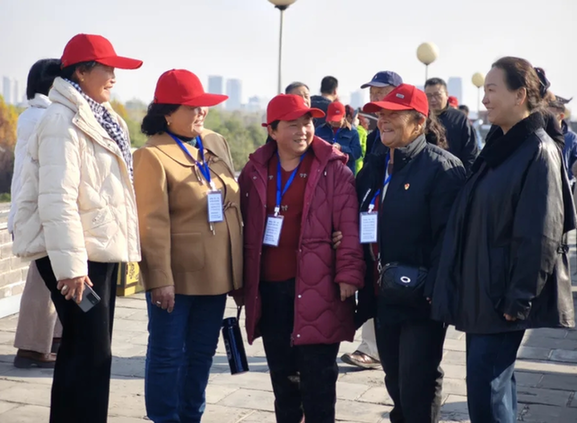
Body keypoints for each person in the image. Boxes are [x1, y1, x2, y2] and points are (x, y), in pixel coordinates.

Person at [432, 57, 576, 423]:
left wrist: (519, 297)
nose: (484, 99)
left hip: (503, 298)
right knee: (493, 390)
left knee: (487, 398)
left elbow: (542, 234)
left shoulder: (538, 151)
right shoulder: (501, 147)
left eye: (492, 90)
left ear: (520, 95)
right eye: (484, 90)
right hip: (483, 290)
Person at [11, 33, 142, 423]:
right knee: (92, 354)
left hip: (97, 248)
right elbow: (57, 197)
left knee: (81, 351)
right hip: (75, 255)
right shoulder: (60, 120)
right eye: (107, 68)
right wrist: (71, 268)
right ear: (81, 72)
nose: (114, 76)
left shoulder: (100, 116)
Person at [238, 94, 365, 423]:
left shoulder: (334, 170)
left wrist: (349, 274)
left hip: (318, 288)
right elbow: (241, 228)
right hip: (271, 291)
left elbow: (349, 227)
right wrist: (238, 283)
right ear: (272, 130)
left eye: (307, 123)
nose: (303, 131)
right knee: (284, 382)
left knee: (319, 381)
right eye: (292, 125)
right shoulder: (254, 171)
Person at [133, 69, 243, 423]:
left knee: (201, 355)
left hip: (217, 274)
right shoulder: (152, 155)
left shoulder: (214, 142)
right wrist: (159, 278)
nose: (201, 112)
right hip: (177, 279)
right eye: (192, 107)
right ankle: (165, 418)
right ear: (167, 113)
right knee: (167, 355)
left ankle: (191, 416)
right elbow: (151, 223)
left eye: (203, 106)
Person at [354, 84, 465, 423]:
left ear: (418, 122)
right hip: (382, 295)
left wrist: (434, 291)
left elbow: (450, 239)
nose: (383, 120)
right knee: (395, 381)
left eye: (393, 114)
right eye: (380, 114)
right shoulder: (375, 166)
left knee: (417, 383)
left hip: (420, 299)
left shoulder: (442, 168)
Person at [9, 58, 62, 369]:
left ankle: (50, 340)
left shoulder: (37, 115)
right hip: (39, 210)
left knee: (53, 277)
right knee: (42, 281)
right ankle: (31, 347)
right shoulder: (41, 118)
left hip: (43, 207)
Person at [425, 77, 479, 172]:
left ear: (446, 95)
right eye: (428, 95)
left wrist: (467, 175)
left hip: (454, 173)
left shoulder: (459, 118)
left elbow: (470, 152)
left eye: (437, 95)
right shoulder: (420, 118)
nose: (433, 99)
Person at [361, 71, 403, 158]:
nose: (374, 99)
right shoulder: (372, 137)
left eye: (379, 93)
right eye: (371, 93)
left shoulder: (405, 135)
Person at [315, 101, 362, 175]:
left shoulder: (353, 132)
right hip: (324, 173)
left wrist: (341, 148)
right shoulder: (319, 130)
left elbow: (357, 153)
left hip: (345, 174)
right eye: (331, 119)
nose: (333, 122)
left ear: (344, 116)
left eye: (337, 120)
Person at [548, 96, 577, 183]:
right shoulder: (540, 136)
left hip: (564, 186)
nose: (546, 119)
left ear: (561, 116)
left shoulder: (571, 138)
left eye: (550, 116)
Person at [350, 106, 368, 174]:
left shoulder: (360, 131)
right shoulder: (362, 131)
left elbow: (364, 150)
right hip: (357, 165)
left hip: (357, 166)